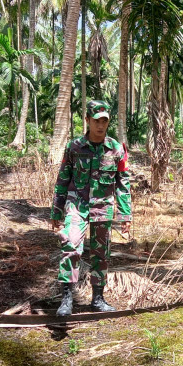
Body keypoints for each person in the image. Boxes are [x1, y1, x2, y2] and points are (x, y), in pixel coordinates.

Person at [50, 100, 132, 315]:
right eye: (96, 120)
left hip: (103, 207)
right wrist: (56, 211)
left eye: (104, 121)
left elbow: (123, 184)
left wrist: (126, 214)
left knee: (101, 254)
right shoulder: (74, 147)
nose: (100, 125)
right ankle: (67, 298)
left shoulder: (116, 149)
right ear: (87, 120)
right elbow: (62, 179)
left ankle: (98, 299)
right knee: (71, 245)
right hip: (77, 205)